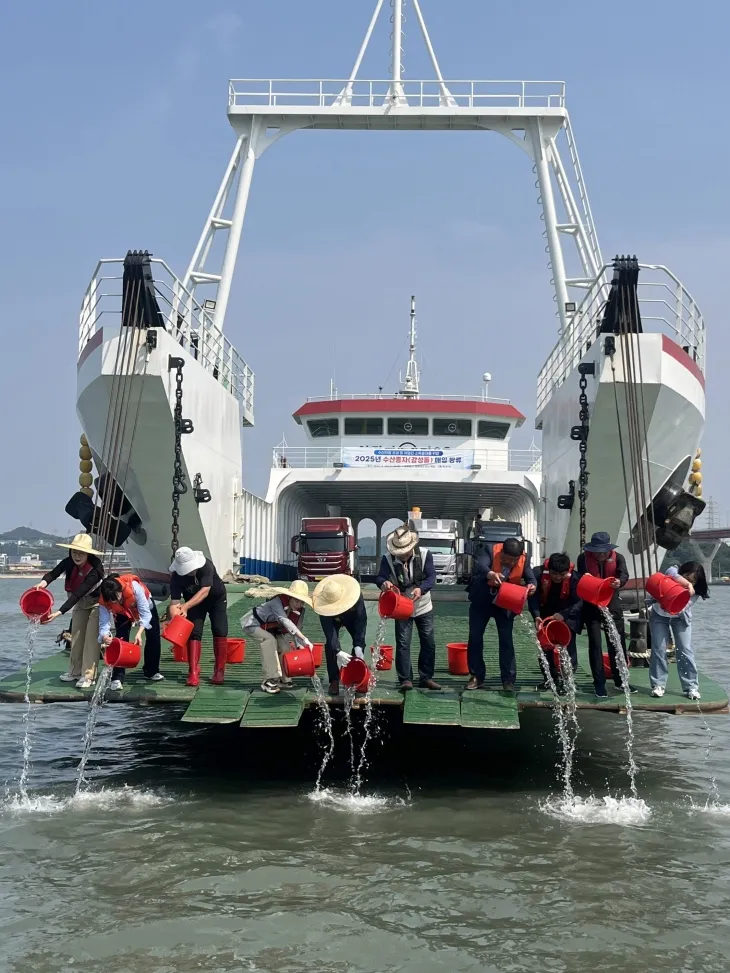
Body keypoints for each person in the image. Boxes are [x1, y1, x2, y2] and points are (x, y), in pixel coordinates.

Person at [466, 536, 537, 692]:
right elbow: (480, 565)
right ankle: (477, 676)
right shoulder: (489, 550)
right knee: (475, 637)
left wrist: (533, 586)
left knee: (506, 641)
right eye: (507, 559)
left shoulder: (524, 559)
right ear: (502, 553)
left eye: (514, 561)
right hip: (482, 602)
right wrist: (491, 574)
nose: (510, 563)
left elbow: (530, 576)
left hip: (506, 603)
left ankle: (508, 680)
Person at [375, 525, 441, 691]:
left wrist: (422, 588)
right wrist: (384, 583)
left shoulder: (425, 554)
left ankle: (426, 677)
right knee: (403, 643)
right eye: (399, 552)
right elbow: (380, 577)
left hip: (424, 606)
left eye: (405, 551)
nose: (402, 555)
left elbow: (432, 577)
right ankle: (405, 679)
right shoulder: (387, 558)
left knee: (428, 642)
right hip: (401, 608)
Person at [36, 533, 105, 689]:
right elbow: (54, 573)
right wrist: (42, 583)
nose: (77, 555)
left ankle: (88, 676)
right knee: (77, 636)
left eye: (81, 552)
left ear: (88, 553)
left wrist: (59, 612)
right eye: (74, 552)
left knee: (91, 640)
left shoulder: (96, 570)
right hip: (80, 604)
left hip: (97, 604)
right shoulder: (68, 562)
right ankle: (74, 672)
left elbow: (79, 592)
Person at [576, 531, 635, 698]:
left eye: (603, 551)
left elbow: (624, 575)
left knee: (617, 642)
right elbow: (578, 577)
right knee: (595, 643)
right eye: (597, 551)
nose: (601, 555)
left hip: (612, 603)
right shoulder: (583, 559)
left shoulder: (619, 558)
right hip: (591, 605)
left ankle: (621, 680)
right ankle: (599, 683)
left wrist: (619, 582)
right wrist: (584, 577)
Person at [648, 561, 708, 701]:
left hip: (680, 618)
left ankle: (691, 686)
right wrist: (686, 584)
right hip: (659, 616)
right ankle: (658, 684)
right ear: (682, 572)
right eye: (686, 576)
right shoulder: (672, 572)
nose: (687, 581)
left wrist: (669, 602)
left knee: (685, 649)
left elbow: (682, 607)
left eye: (691, 580)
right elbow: (670, 571)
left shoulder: (695, 593)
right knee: (658, 648)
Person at [241, 580, 314, 694]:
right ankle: (269, 680)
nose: (298, 604)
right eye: (296, 600)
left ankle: (284, 679)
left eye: (301, 602)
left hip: (273, 629)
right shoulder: (277, 602)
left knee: (285, 647)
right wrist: (305, 639)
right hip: (253, 624)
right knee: (269, 641)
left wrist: (301, 648)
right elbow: (284, 621)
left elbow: (297, 630)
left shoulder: (301, 611)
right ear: (289, 597)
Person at [169, 547, 228, 687]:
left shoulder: (206, 565)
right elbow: (174, 603)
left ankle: (219, 669)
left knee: (220, 630)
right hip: (194, 604)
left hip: (216, 600)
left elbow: (204, 591)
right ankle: (193, 671)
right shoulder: (176, 577)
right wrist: (175, 621)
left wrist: (185, 607)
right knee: (194, 633)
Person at [98, 574, 163, 691]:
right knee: (121, 638)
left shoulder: (134, 587)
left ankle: (151, 671)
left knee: (153, 635)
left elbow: (146, 614)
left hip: (145, 606)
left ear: (120, 590)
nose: (114, 601)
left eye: (116, 597)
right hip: (122, 613)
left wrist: (139, 633)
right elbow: (104, 622)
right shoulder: (104, 600)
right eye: (111, 600)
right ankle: (117, 677)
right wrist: (104, 635)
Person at [530, 552, 583, 692]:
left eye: (562, 574)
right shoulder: (538, 573)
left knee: (568, 649)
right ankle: (549, 679)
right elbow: (532, 597)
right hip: (545, 615)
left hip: (568, 616)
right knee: (545, 649)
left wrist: (564, 615)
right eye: (554, 574)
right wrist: (536, 616)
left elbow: (579, 602)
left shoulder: (575, 578)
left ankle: (567, 680)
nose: (558, 577)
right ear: (549, 570)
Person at [312, 574, 367, 695]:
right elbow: (329, 633)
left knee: (360, 643)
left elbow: (361, 621)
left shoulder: (355, 596)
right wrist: (338, 651)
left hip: (351, 618)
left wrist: (358, 645)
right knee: (330, 646)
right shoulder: (323, 607)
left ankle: (355, 676)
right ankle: (334, 680)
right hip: (332, 618)